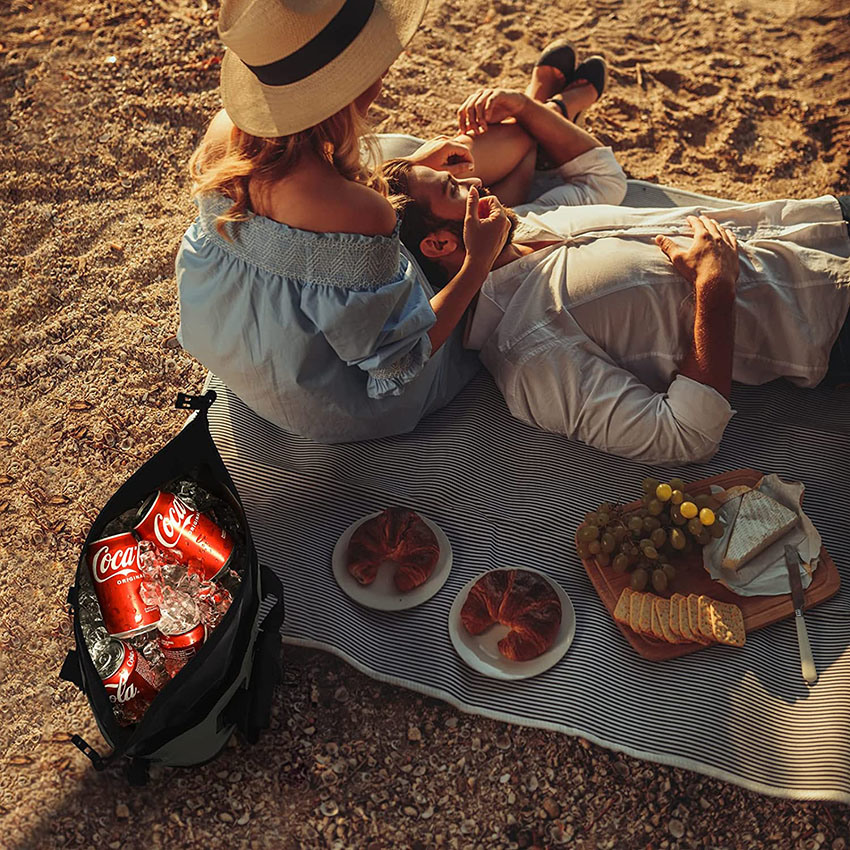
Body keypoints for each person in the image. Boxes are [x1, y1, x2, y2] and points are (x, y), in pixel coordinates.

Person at [383, 90, 850, 465]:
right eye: (453, 190)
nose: (476, 182)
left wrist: (525, 106)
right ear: (440, 245)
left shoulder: (527, 221)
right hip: (828, 315)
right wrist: (714, 288)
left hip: (819, 224)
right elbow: (682, 436)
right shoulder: (529, 354)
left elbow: (599, 177)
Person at [175, 0, 512, 443]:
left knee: (407, 156)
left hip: (240, 356)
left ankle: (545, 111)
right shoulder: (362, 211)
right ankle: (542, 117)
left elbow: (294, 228)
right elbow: (401, 362)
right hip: (333, 405)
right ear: (350, 82)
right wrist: (478, 263)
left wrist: (408, 164)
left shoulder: (227, 133)